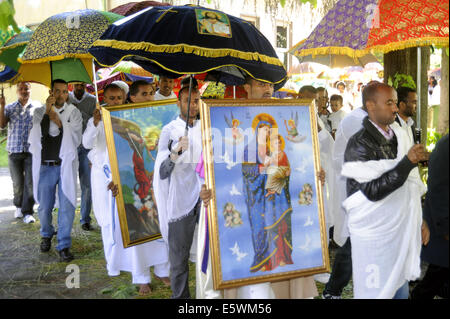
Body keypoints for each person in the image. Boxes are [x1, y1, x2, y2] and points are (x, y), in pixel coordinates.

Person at [341, 82, 430, 298]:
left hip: (398, 229)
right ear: (371, 106)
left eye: (394, 102)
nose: (395, 109)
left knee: (398, 290)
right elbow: (372, 192)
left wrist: (419, 219)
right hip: (375, 234)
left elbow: (409, 184)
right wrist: (407, 162)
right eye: (389, 102)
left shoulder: (399, 136)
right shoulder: (359, 144)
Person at [83, 83, 170, 296]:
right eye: (111, 99)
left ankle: (162, 269)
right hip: (116, 182)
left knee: (156, 224)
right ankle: (141, 278)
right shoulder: (99, 119)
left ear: (125, 98)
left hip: (146, 177)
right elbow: (88, 146)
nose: (115, 102)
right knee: (135, 230)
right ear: (105, 98)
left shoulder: (134, 120)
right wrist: (95, 124)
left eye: (118, 98)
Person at [153, 78, 203, 299]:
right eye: (188, 101)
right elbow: (162, 172)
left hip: (204, 197)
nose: (193, 105)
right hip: (180, 199)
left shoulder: (207, 127)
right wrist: (175, 153)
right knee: (179, 257)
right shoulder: (170, 131)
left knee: (209, 253)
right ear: (178, 102)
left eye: (196, 101)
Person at [28, 79, 82, 262]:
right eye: (57, 91)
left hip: (65, 166)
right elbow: (34, 136)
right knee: (44, 208)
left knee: (66, 207)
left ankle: (64, 244)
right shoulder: (37, 112)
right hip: (45, 166)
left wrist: (57, 120)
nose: (61, 95)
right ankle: (46, 234)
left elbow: (76, 137)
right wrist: (47, 112)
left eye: (64, 91)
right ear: (51, 92)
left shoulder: (73, 112)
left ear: (68, 93)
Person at [411, 134, 449, 299]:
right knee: (435, 277)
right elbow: (438, 189)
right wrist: (445, 227)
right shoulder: (446, 146)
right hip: (443, 226)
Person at [0, 82, 40, 223]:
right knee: (17, 183)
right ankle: (18, 206)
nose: (24, 91)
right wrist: (2, 106)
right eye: (21, 89)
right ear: (17, 91)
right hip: (14, 151)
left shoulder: (37, 107)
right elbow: (2, 124)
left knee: (30, 183)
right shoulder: (10, 107)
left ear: (30, 90)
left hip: (31, 151)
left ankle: (28, 212)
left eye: (26, 89)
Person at [69, 82, 96, 231]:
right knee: (69, 183)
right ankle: (67, 216)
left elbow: (94, 123)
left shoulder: (92, 100)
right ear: (72, 84)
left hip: (87, 148)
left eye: (81, 84)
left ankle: (85, 219)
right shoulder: (67, 99)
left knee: (87, 185)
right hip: (71, 146)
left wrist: (78, 112)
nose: (79, 87)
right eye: (77, 84)